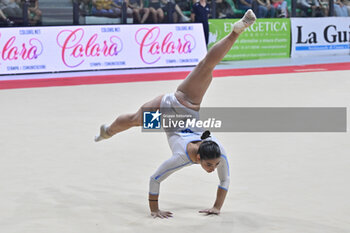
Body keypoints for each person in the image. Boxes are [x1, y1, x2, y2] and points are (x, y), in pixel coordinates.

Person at [94, 10, 257, 218]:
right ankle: (108, 131)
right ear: (198, 157)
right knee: (206, 66)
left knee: (138, 120)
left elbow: (224, 179)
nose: (213, 168)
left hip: (165, 119)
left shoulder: (218, 153)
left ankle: (108, 131)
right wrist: (155, 211)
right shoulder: (182, 157)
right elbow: (155, 179)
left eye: (214, 165)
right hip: (184, 103)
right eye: (210, 165)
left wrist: (217, 207)